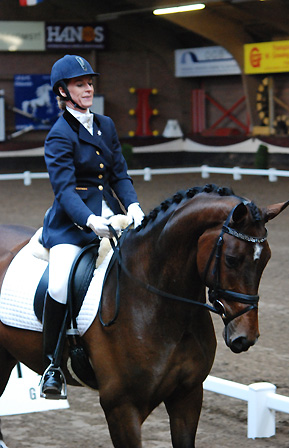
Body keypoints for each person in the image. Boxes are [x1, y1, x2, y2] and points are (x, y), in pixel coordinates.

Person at [40, 54, 144, 399]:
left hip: (113, 217)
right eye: (80, 84)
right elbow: (64, 190)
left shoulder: (106, 125)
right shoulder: (58, 135)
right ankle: (53, 364)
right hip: (72, 225)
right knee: (58, 285)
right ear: (63, 90)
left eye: (89, 82)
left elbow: (118, 174)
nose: (88, 88)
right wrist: (88, 220)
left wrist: (133, 205)